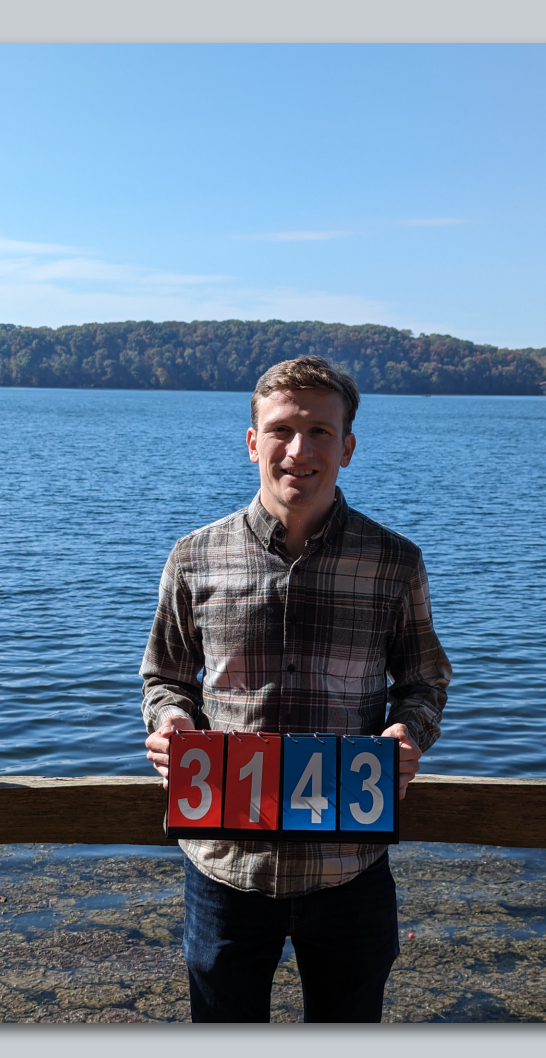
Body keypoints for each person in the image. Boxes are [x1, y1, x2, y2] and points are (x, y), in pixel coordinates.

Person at [138, 355, 451, 1022]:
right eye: (281, 429)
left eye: (321, 432)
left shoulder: (394, 562)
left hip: (349, 864)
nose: (299, 450)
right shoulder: (195, 557)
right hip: (226, 864)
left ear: (348, 446)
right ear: (253, 441)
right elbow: (166, 679)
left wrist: (406, 732)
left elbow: (423, 681)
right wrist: (170, 724)